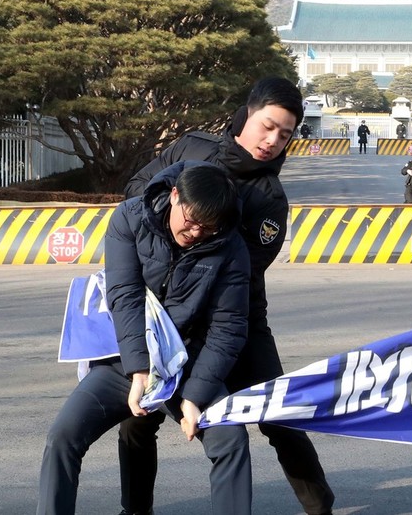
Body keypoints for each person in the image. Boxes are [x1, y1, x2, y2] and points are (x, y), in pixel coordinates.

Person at [121, 77, 335, 515]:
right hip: (163, 315)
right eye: (267, 126)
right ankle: (135, 509)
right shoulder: (190, 149)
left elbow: (242, 271)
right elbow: (136, 195)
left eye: (285, 134)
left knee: (278, 416)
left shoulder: (270, 199)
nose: (272, 140)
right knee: (137, 418)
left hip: (235, 319)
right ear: (246, 116)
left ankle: (320, 507)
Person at [38, 162, 253, 514]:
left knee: (231, 439)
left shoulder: (230, 248)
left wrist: (195, 397)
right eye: (191, 217)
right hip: (126, 358)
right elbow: (124, 295)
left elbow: (228, 328)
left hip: (187, 363)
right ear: (174, 195)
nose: (196, 231)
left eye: (207, 226)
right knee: (63, 436)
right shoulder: (130, 218)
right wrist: (138, 370)